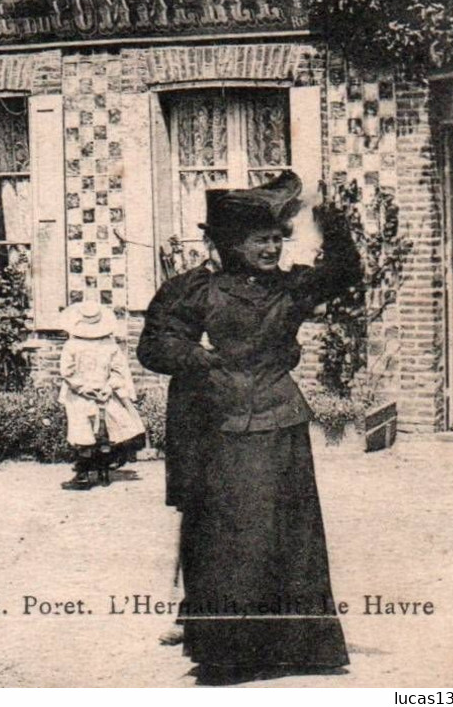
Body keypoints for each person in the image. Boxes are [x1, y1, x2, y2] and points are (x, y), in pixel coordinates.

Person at [137, 171, 359, 682]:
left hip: (281, 422)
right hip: (220, 427)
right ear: (232, 243)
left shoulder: (290, 287)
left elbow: (343, 271)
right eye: (259, 239)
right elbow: (154, 346)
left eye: (276, 239)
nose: (271, 249)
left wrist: (329, 218)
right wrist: (198, 357)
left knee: (290, 536)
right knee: (230, 540)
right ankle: (230, 653)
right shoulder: (194, 290)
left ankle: (300, 646)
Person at [58, 300, 145, 490]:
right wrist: (106, 387)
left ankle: (85, 474)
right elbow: (118, 371)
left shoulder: (72, 345)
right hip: (97, 392)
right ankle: (101, 471)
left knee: (84, 431)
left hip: (82, 393)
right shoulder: (109, 345)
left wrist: (87, 388)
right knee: (101, 431)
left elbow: (67, 371)